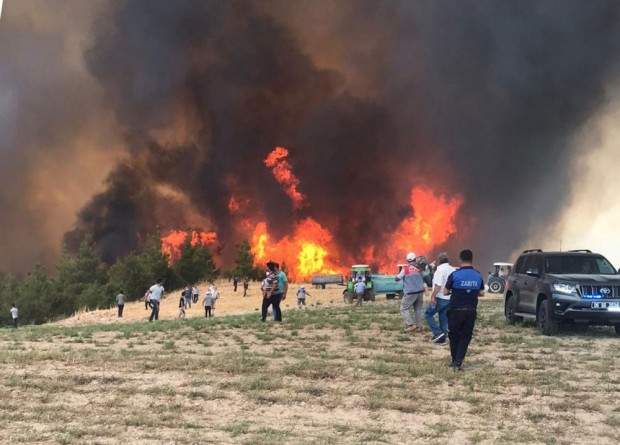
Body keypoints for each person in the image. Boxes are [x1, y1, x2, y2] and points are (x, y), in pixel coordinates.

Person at [443, 249, 484, 371]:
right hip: (470, 311)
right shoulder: (478, 275)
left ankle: (454, 359)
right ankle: (458, 361)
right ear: (472, 259)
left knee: (453, 335)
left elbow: (445, 291)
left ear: (460, 259)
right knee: (465, 336)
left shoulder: (455, 275)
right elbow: (481, 292)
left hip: (455, 311)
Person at [425, 253, 455, 344]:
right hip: (450, 298)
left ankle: (438, 333)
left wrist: (433, 296)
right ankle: (443, 337)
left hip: (440, 297)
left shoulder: (440, 270)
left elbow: (438, 285)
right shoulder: (452, 269)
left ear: (439, 261)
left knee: (428, 314)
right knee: (443, 317)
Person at [396, 252, 426, 332]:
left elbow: (397, 278)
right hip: (420, 292)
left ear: (407, 261)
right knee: (418, 309)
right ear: (415, 259)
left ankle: (411, 325)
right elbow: (426, 276)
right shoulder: (420, 269)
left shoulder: (405, 269)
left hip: (410, 293)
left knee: (403, 308)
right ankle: (419, 327)